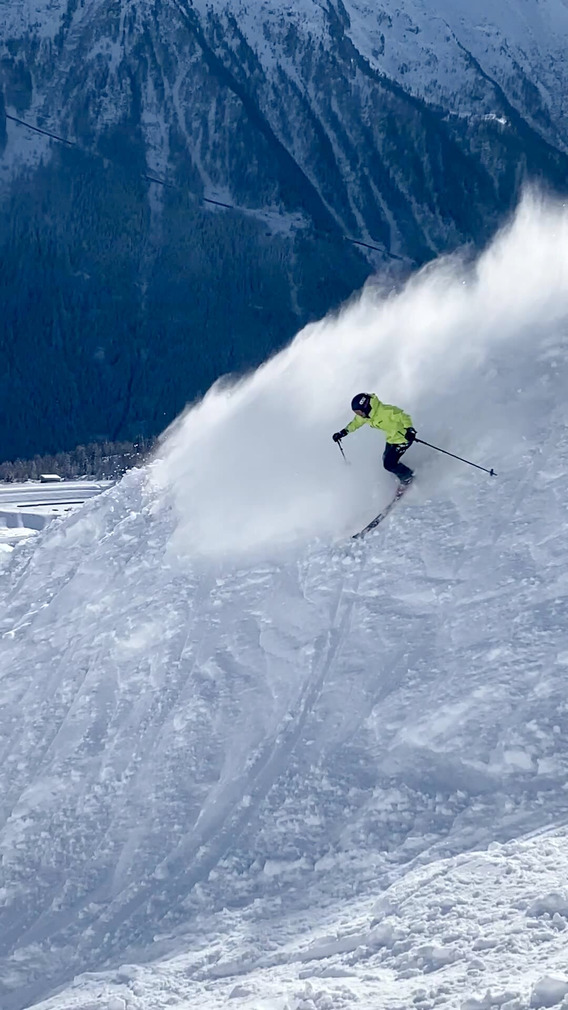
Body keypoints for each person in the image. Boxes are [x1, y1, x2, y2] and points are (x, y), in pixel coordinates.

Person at [333, 392, 416, 485]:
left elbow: (404, 417)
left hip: (403, 439)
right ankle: (398, 468)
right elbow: (356, 422)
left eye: (358, 412)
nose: (358, 415)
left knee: (388, 464)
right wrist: (343, 432)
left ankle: (407, 477)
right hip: (391, 439)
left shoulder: (386, 411)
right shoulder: (367, 415)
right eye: (356, 413)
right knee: (386, 458)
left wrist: (410, 430)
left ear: (365, 406)